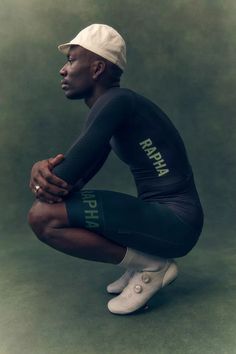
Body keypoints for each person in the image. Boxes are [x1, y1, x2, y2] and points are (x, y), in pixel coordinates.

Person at [28, 23, 204, 315]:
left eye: (71, 60)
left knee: (42, 217)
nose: (63, 69)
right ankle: (141, 261)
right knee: (53, 208)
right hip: (164, 222)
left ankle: (151, 266)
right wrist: (46, 178)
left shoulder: (117, 102)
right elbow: (70, 183)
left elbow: (61, 178)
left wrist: (40, 171)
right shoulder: (116, 109)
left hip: (175, 222)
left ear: (96, 69)